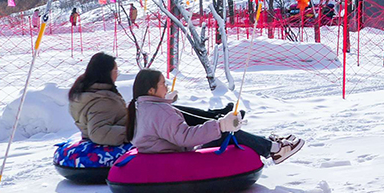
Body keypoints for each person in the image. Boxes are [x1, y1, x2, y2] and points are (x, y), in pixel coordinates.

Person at [126, 68, 303, 161]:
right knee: (229, 132)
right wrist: (220, 126)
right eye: (163, 84)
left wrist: (167, 102)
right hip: (175, 154)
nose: (166, 86)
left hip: (162, 150)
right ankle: (276, 150)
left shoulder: (141, 106)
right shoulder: (159, 111)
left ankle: (269, 143)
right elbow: (184, 137)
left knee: (204, 121)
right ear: (151, 90)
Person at [66, 51, 129, 147]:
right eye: (116, 71)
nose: (117, 75)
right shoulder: (102, 101)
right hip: (110, 149)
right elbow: (99, 134)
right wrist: (133, 132)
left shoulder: (85, 92)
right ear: (106, 73)